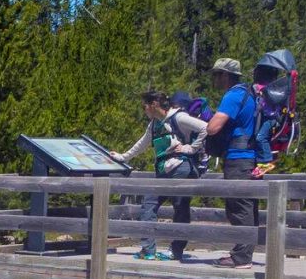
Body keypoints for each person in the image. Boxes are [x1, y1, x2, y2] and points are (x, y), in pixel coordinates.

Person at [114, 89, 208, 258]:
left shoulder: (178, 117)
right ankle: (149, 249)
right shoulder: (154, 124)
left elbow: (205, 128)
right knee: (149, 204)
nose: (144, 110)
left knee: (180, 208)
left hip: (181, 168)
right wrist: (122, 157)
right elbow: (141, 145)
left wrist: (190, 148)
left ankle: (175, 250)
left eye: (145, 106)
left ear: (154, 105)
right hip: (164, 170)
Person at [203, 57, 270, 267]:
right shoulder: (249, 95)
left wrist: (206, 123)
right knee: (247, 205)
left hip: (238, 158)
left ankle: (241, 257)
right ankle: (243, 252)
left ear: (225, 75)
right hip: (249, 157)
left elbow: (213, 127)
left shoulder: (233, 96)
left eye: (216, 75)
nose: (214, 79)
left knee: (239, 206)